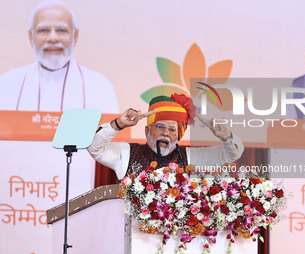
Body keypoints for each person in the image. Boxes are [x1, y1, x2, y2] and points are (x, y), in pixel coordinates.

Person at [87, 93, 244, 179]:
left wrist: (227, 137)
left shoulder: (189, 157)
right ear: (147, 131)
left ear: (178, 137)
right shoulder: (128, 153)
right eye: (160, 126)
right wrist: (119, 123)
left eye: (172, 129)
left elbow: (231, 155)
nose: (166, 133)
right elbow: (95, 148)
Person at [0, 0, 118, 113]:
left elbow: (109, 133)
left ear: (75, 36)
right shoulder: (7, 83)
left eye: (61, 30)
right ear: (31, 36)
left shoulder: (100, 87)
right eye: (43, 30)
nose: (53, 38)